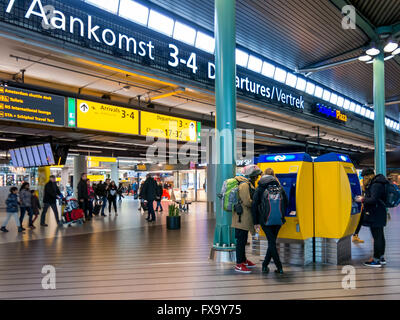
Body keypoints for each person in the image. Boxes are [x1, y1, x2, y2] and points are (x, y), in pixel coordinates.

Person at [252, 174, 288, 274]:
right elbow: (286, 202)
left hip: (265, 220)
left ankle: (279, 266)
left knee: (271, 243)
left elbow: (254, 206)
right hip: (278, 220)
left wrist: (256, 222)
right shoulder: (280, 187)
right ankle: (265, 265)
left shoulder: (260, 188)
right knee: (272, 242)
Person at [231, 165, 262, 274]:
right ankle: (239, 264)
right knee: (241, 241)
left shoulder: (247, 184)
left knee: (243, 241)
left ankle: (243, 260)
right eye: (256, 176)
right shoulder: (244, 185)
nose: (257, 178)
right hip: (241, 218)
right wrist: (256, 202)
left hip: (244, 217)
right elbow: (247, 201)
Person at [355, 168, 388, 268]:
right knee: (380, 236)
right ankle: (381, 258)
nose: (364, 179)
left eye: (364, 177)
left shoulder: (375, 184)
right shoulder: (380, 182)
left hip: (375, 213)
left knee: (377, 236)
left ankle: (376, 260)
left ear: (367, 176)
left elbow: (373, 200)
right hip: (380, 212)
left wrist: (362, 199)